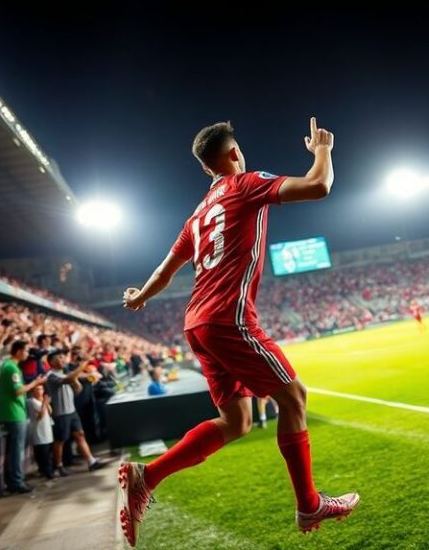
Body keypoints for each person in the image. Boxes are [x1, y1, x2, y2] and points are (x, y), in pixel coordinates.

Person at [118, 118, 359, 547]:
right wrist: (323, 150)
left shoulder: (196, 216)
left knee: (237, 421)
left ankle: (146, 476)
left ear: (205, 167)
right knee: (294, 397)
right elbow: (318, 186)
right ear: (233, 154)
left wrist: (140, 298)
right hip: (229, 318)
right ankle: (309, 504)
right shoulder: (245, 183)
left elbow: (165, 271)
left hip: (197, 324)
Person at [0, 340, 46, 494]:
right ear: (18, 351)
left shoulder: (10, 366)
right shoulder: (11, 368)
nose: (27, 354)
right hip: (14, 413)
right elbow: (17, 391)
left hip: (13, 411)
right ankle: (17, 482)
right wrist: (35, 383)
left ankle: (13, 481)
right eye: (25, 351)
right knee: (16, 450)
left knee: (14, 450)